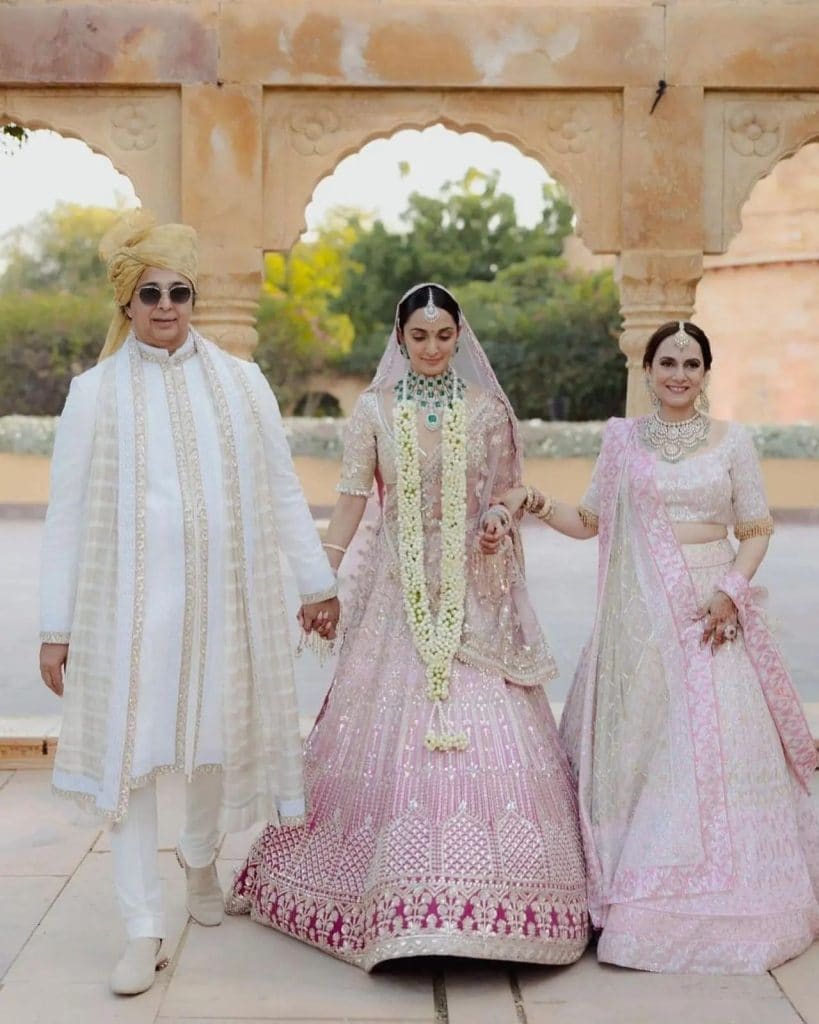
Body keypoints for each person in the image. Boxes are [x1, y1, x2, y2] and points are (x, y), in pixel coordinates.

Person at [228, 283, 589, 970]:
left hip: (474, 593)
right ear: (399, 338)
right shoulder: (373, 410)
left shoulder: (486, 410)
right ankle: (383, 897)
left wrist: (499, 517)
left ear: (459, 337)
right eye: (418, 336)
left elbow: (509, 489)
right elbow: (350, 503)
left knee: (487, 722)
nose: (431, 348)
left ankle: (499, 902)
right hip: (396, 595)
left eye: (443, 336)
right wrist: (321, 581)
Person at [38, 210, 339, 995]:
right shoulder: (94, 394)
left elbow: (281, 489)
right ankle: (143, 925)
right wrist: (55, 628)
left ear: (194, 298)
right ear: (126, 303)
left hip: (225, 606)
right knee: (130, 763)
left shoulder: (242, 383)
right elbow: (67, 513)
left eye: (179, 291)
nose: (166, 305)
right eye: (150, 293)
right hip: (126, 617)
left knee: (215, 741)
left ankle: (200, 857)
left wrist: (317, 583)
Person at [498, 320, 819, 973]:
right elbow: (589, 522)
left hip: (710, 612)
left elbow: (755, 528)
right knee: (639, 751)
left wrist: (730, 590)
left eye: (690, 364)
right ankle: (623, 890)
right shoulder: (623, 443)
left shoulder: (733, 442)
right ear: (647, 370)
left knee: (708, 752)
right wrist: (534, 501)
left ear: (705, 373)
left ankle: (708, 900)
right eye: (667, 362)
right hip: (637, 620)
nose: (678, 374)